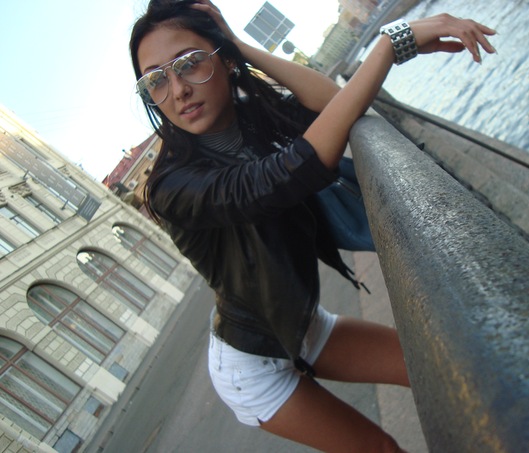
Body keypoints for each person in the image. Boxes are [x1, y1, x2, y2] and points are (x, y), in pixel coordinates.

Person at [129, 1, 496, 451]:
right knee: (382, 450)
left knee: (448, 371)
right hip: (252, 365)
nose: (179, 89)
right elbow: (287, 174)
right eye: (156, 79)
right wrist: (390, 44)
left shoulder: (253, 116)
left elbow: (331, 107)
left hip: (303, 323)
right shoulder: (172, 187)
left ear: (224, 60)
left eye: (189, 63)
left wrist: (240, 45)